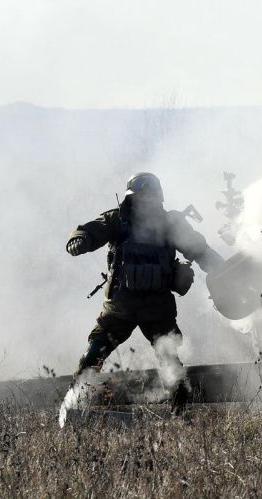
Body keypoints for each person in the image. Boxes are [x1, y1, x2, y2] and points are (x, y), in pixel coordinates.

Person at [65, 172, 223, 413]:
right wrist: (80, 240)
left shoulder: (170, 223)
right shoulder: (117, 219)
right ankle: (75, 407)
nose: (145, 202)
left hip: (157, 307)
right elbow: (88, 231)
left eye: (150, 197)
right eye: (141, 197)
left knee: (169, 361)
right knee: (93, 356)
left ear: (158, 198)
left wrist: (221, 269)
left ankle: (179, 413)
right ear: (132, 198)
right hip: (120, 307)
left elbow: (199, 249)